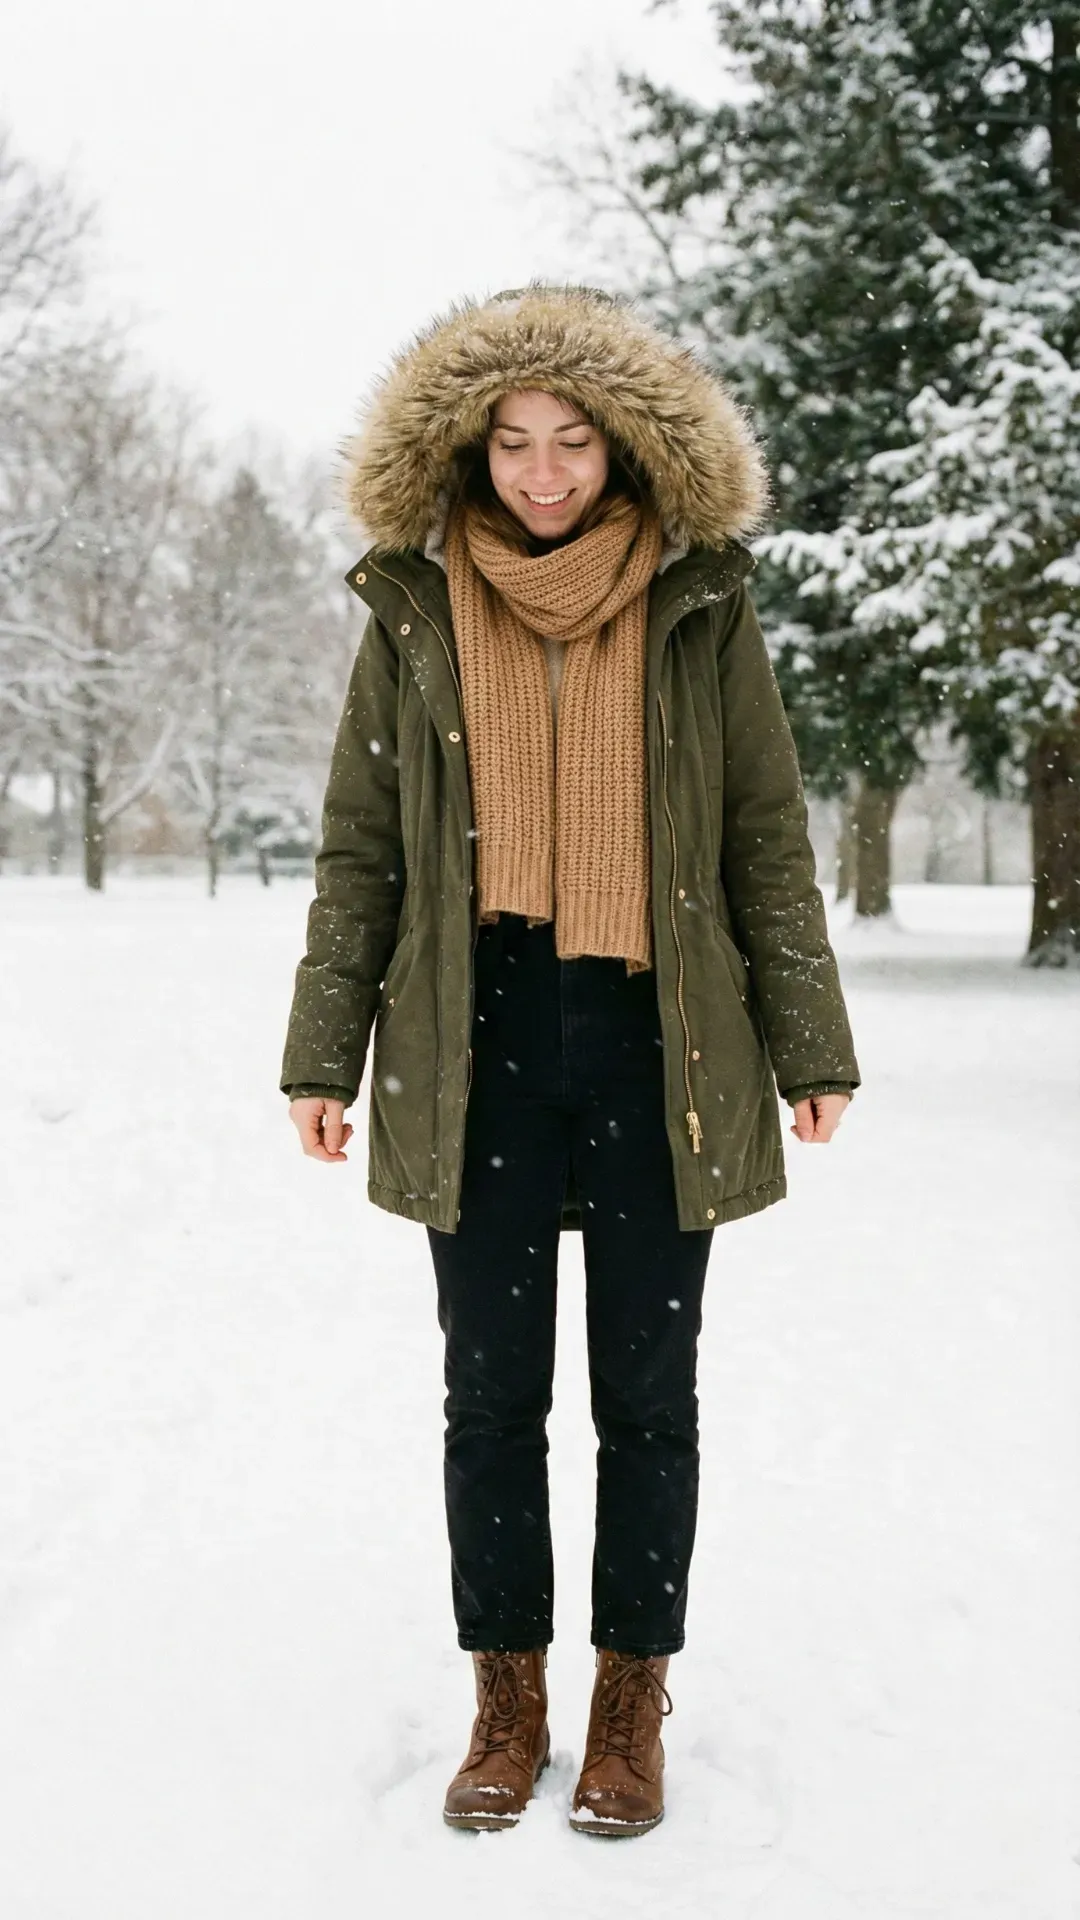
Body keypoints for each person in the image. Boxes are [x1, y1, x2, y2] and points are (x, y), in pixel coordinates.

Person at [280, 283, 860, 1838]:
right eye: (516, 443)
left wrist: (811, 1038)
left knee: (649, 1399)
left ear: (622, 449)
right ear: (472, 448)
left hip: (658, 1039)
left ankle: (626, 1700)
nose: (544, 474)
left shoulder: (699, 599)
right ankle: (507, 1693)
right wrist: (321, 1050)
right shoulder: (413, 603)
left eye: (576, 441)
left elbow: (760, 833)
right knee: (489, 1401)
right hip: (469, 1046)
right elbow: (361, 853)